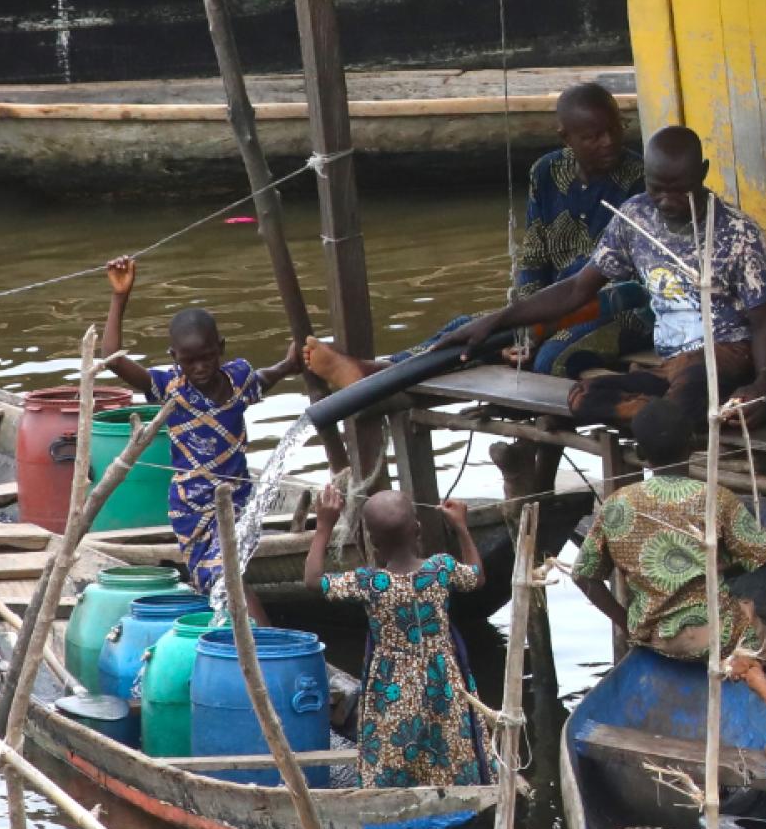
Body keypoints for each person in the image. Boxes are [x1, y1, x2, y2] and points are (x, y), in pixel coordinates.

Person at [444, 124, 766, 426]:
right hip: (671, 362)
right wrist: (498, 320)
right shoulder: (635, 216)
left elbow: (765, 321)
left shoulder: (738, 233)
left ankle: (683, 415)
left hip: (723, 353)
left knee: (683, 398)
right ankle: (676, 416)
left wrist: (762, 384)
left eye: (679, 190)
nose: (666, 201)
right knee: (583, 396)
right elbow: (578, 289)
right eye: (657, 188)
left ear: (703, 173)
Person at [570, 394, 766, 710]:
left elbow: (584, 577)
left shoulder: (617, 503)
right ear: (694, 443)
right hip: (718, 638)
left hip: (654, 637)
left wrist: (628, 625)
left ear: (639, 452)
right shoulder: (714, 499)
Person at [96, 255, 304, 597]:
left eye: (207, 357)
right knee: (224, 580)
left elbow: (262, 380)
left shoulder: (238, 379)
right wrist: (120, 296)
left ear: (220, 349)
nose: (200, 368)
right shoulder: (171, 388)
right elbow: (113, 357)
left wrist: (288, 364)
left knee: (227, 577)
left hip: (237, 503)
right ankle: (257, 637)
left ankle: (245, 634)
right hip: (191, 507)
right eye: (189, 360)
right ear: (174, 357)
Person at [304, 483, 491, 789]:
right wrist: (461, 528)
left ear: (374, 543)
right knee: (448, 740)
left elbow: (313, 581)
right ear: (418, 529)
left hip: (391, 685)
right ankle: (457, 796)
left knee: (394, 745)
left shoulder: (372, 582)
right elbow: (476, 575)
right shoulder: (440, 569)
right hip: (442, 679)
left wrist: (324, 525)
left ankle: (396, 799)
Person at [507, 81, 651, 378]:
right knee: (473, 332)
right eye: (593, 136)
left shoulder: (643, 181)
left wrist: (542, 327)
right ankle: (394, 368)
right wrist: (526, 323)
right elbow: (534, 260)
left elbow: (631, 284)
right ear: (566, 137)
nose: (609, 141)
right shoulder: (546, 173)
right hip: (552, 305)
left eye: (615, 128)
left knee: (549, 360)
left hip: (621, 310)